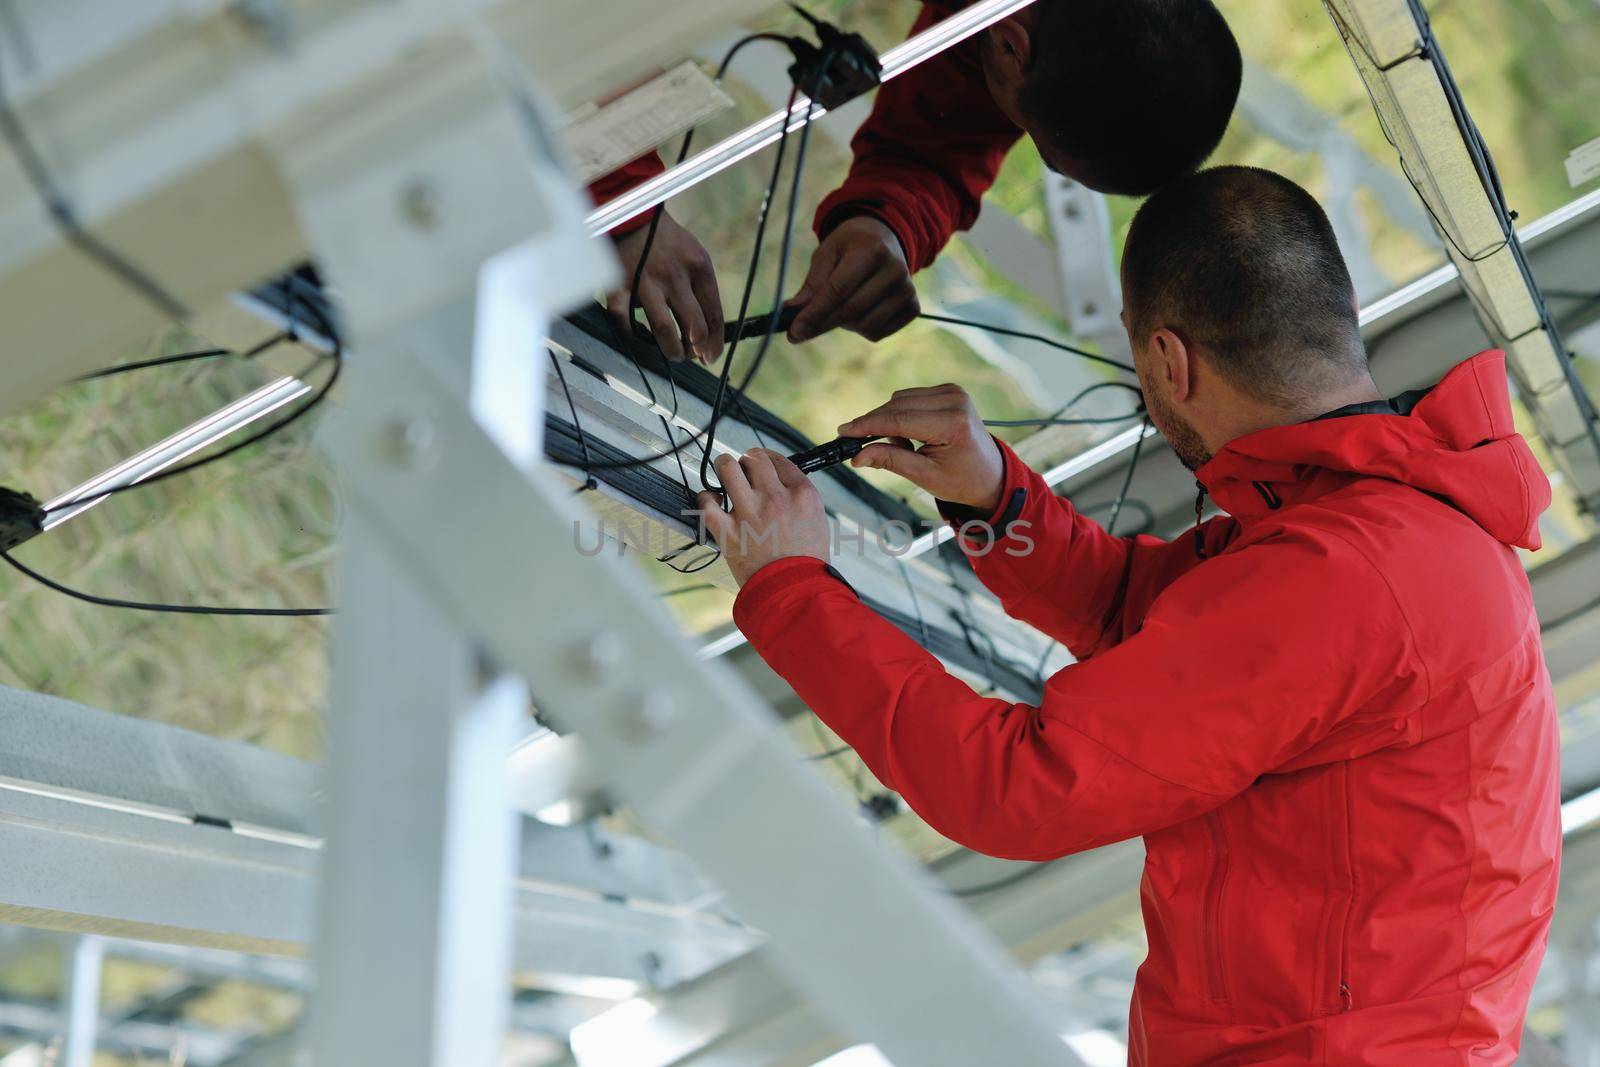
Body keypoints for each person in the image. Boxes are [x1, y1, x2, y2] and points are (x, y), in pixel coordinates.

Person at [694, 166, 1561, 1065]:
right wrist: (996, 499)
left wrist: (792, 588)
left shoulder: (1351, 570)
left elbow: (1013, 787)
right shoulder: (1373, 525)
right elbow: (1145, 618)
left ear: (1168, 362)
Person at [588, 0, 1242, 360]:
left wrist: (888, 223)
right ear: (1011, 49)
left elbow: (946, 137)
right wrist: (624, 200)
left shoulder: (1047, 22)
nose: (1002, 133)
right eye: (1035, 142)